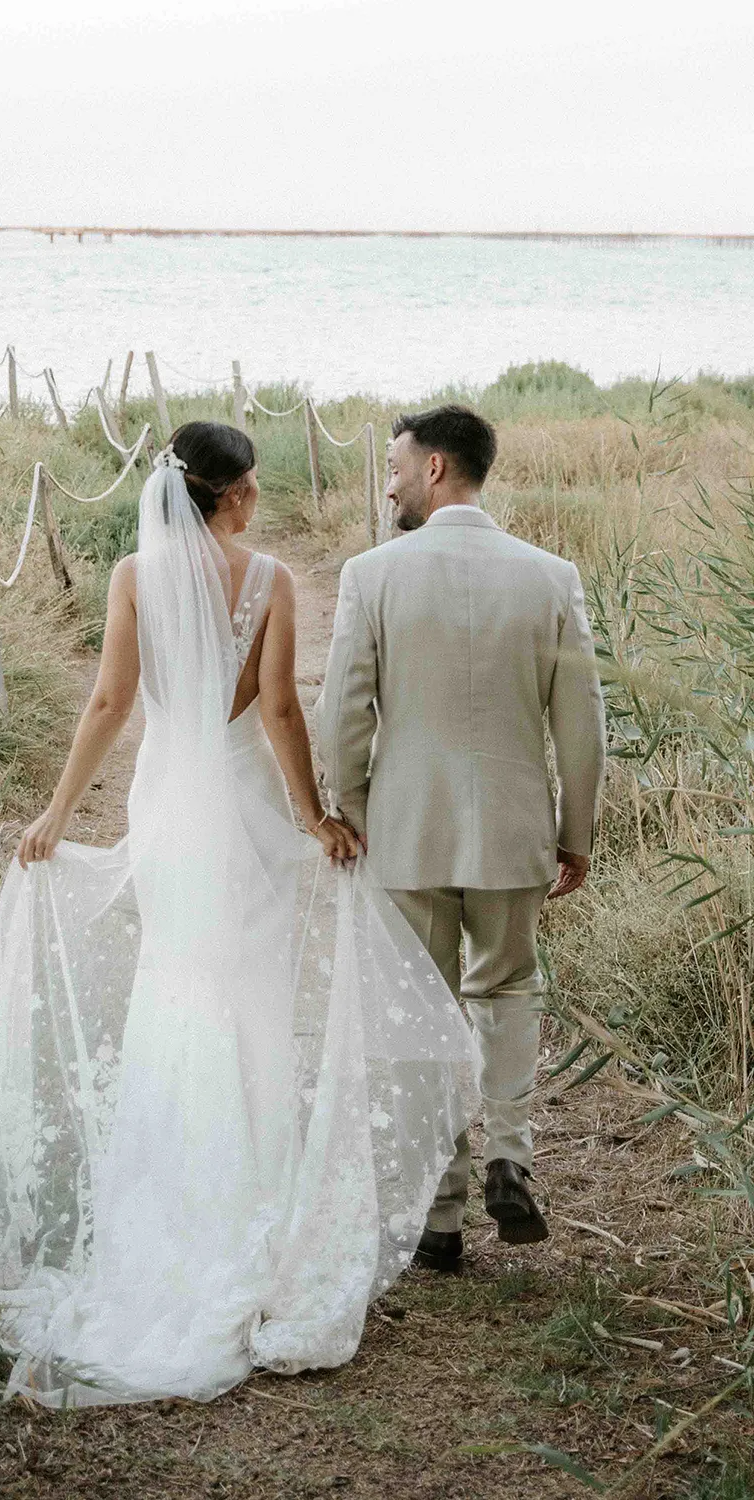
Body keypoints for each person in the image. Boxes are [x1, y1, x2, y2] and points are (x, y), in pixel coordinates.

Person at [0, 421, 478, 1406]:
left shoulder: (132, 578)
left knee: (176, 998)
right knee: (248, 1005)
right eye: (252, 487)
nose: (258, 498)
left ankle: (168, 1220)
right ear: (232, 496)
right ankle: (256, 1208)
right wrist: (316, 816)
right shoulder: (271, 581)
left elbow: (109, 703)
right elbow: (282, 709)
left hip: (169, 812)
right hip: (241, 816)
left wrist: (57, 814)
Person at [316, 404, 606, 1273]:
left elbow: (341, 715)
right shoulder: (551, 576)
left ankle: (441, 1214)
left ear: (437, 468)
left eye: (398, 466)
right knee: (508, 988)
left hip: (406, 829)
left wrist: (357, 808)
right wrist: (575, 829)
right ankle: (510, 1154)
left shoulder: (372, 575)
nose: (391, 481)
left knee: (422, 1009)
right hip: (516, 828)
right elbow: (582, 722)